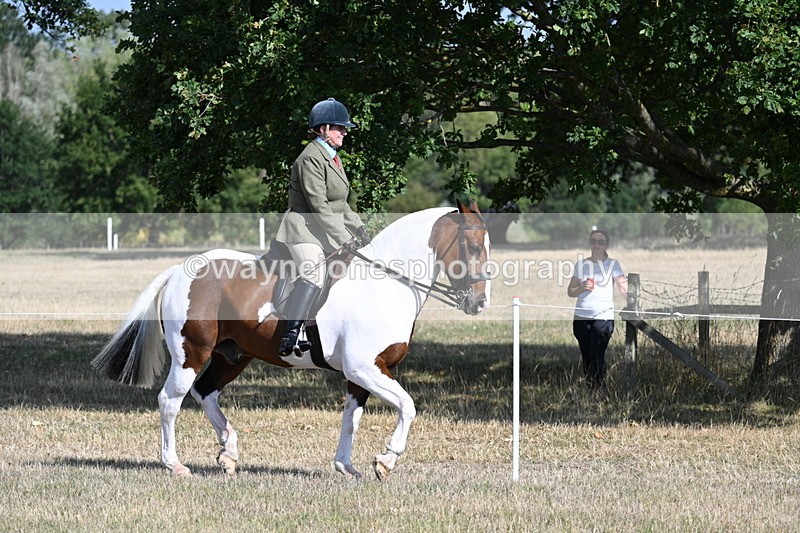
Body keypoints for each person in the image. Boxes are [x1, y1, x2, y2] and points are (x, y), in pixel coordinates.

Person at [274, 98, 370, 357]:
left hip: (321, 228)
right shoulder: (310, 158)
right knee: (314, 274)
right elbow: (318, 205)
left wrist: (359, 227)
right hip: (302, 228)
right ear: (323, 129)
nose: (345, 132)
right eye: (340, 128)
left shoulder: (332, 158)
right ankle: (292, 333)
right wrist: (343, 237)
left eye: (344, 128)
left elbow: (340, 204)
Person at [566, 228, 628, 387]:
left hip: (603, 316)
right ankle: (590, 387)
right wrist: (581, 288)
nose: (597, 245)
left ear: (606, 245)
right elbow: (570, 291)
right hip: (581, 317)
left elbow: (623, 287)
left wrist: (634, 303)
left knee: (597, 354)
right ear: (589, 243)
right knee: (586, 355)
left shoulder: (613, 264)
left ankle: (599, 388)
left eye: (601, 242)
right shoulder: (581, 264)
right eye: (593, 241)